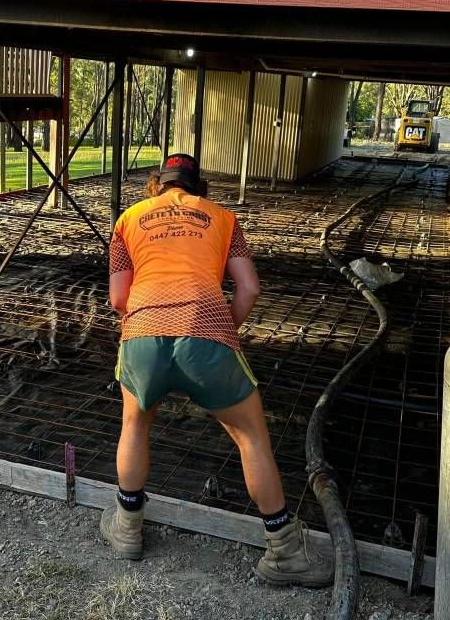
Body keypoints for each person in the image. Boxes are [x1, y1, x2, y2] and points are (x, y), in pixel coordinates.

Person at [101, 153, 333, 587]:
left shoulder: (128, 219)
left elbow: (118, 299)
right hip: (205, 331)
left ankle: (127, 529)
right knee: (251, 437)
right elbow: (249, 289)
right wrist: (219, 329)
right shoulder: (223, 218)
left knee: (134, 424)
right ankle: (284, 549)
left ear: (157, 184)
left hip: (143, 335)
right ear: (197, 187)